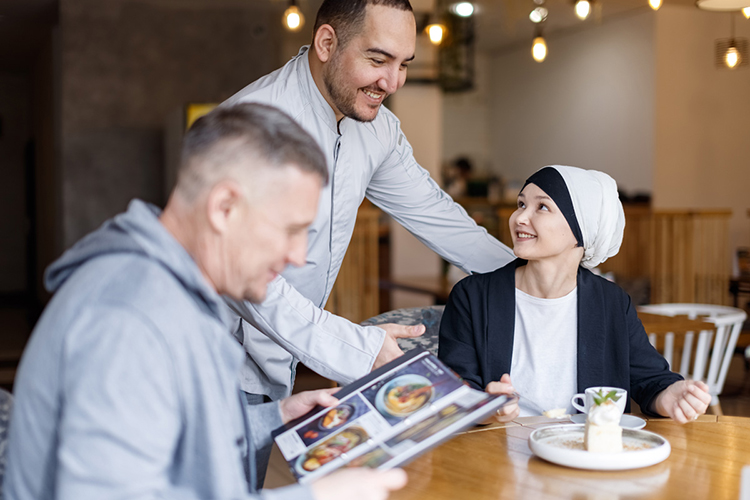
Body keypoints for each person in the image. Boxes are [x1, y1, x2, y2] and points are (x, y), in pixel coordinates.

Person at [3, 103, 407, 500]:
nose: (299, 256)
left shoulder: (166, 290)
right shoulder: (130, 319)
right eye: (291, 229)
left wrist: (276, 417)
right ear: (223, 207)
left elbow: (165, 432)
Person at [222, 0, 514, 413]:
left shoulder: (377, 129)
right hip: (217, 365)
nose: (393, 82)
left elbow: (441, 218)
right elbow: (247, 280)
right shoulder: (249, 127)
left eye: (404, 64)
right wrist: (352, 347)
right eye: (378, 60)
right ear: (327, 42)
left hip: (279, 361)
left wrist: (538, 281)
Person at [438, 165, 712, 424]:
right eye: (521, 204)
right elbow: (456, 391)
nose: (520, 217)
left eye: (541, 207)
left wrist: (670, 396)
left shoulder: (612, 303)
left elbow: (650, 380)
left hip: (587, 453)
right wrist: (488, 410)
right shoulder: (472, 297)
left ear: (581, 229)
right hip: (498, 453)